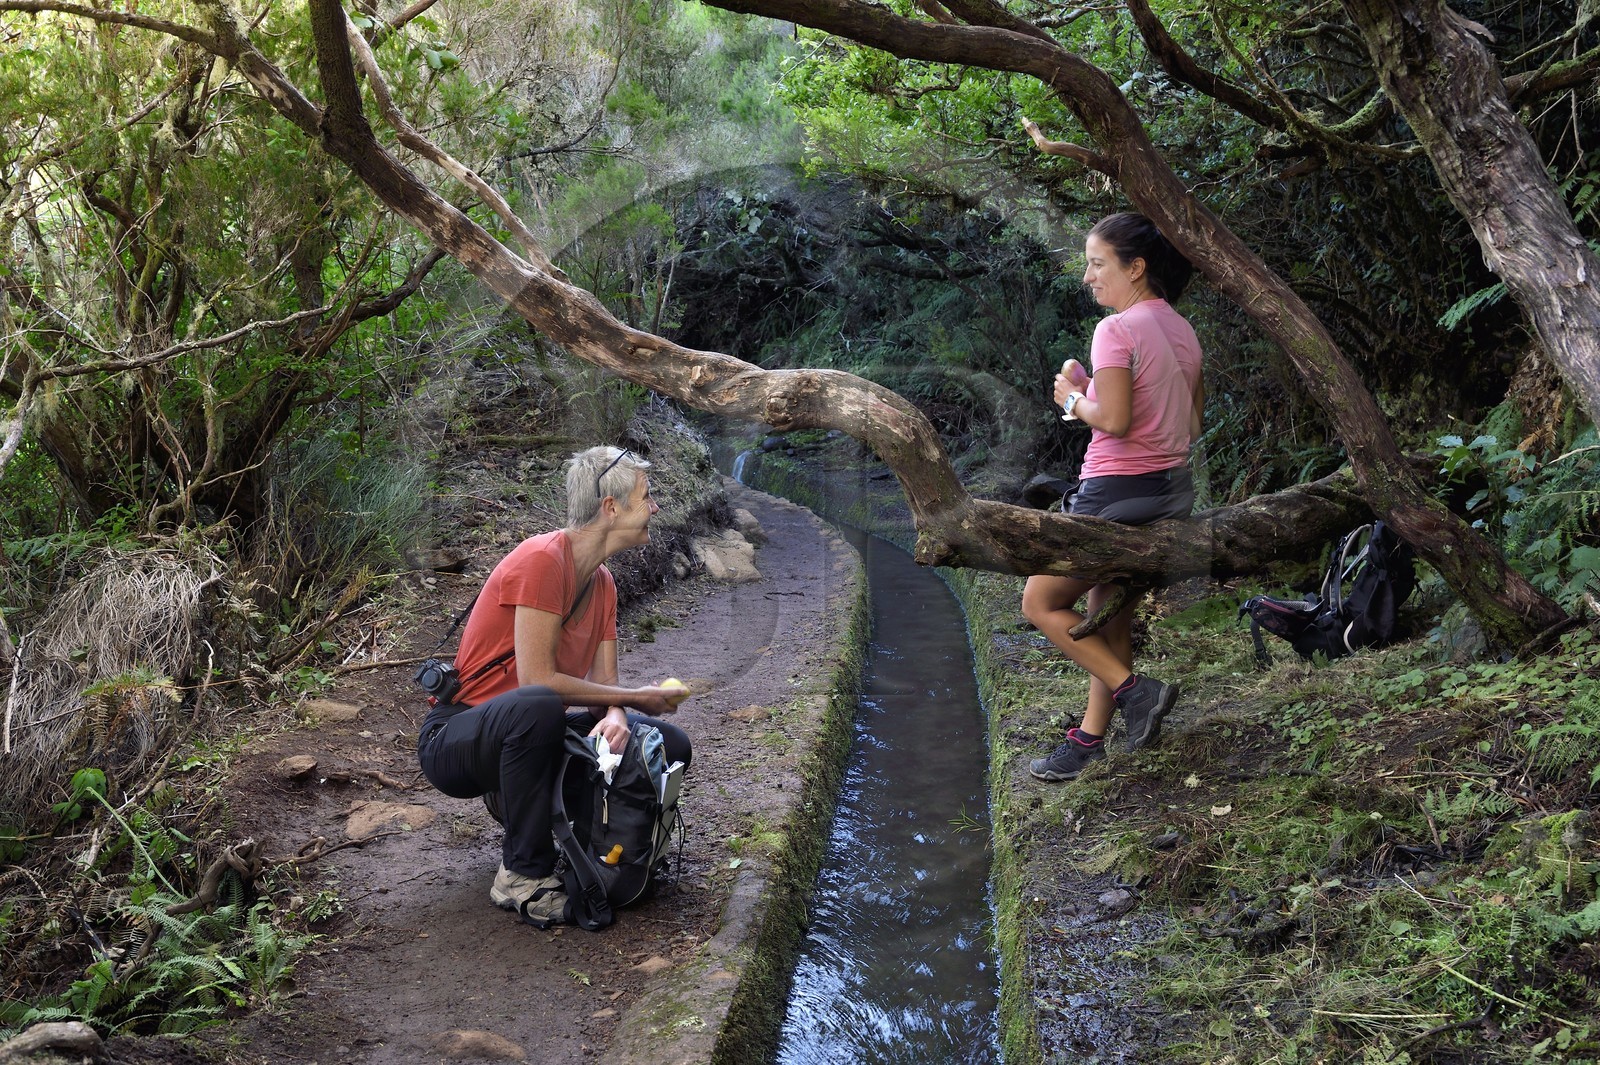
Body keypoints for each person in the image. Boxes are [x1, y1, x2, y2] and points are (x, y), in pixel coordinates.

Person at [416, 445, 691, 922]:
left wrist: (621, 713)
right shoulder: (542, 560)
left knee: (667, 741)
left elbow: (607, 687)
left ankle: (605, 846)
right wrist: (633, 697)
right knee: (541, 702)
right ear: (611, 507)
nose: (655, 507)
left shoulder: (603, 583)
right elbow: (538, 680)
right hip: (457, 739)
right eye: (646, 497)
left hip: (529, 732)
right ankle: (521, 875)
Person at [1021, 212, 1205, 782]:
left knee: (1040, 602)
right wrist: (1094, 386)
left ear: (1136, 267)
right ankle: (1087, 741)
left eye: (1098, 263)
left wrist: (1074, 400)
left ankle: (1136, 692)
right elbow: (1189, 425)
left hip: (1114, 494)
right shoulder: (1181, 329)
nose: (1087, 277)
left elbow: (1119, 421)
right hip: (1171, 492)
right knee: (1109, 615)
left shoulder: (1115, 329)